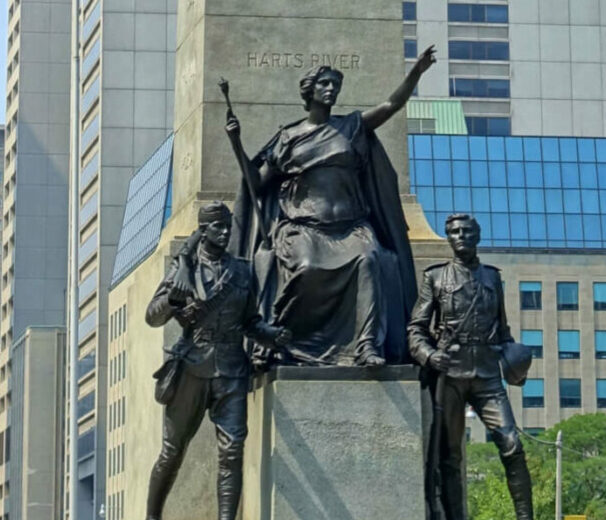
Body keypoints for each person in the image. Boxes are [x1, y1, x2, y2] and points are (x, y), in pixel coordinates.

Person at [224, 46, 437, 367]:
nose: (331, 90)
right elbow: (256, 182)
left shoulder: (351, 126)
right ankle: (283, 339)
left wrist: (416, 73)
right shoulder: (289, 137)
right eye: (324, 84)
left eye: (335, 85)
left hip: (351, 227)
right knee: (307, 267)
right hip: (304, 228)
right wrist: (236, 143)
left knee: (370, 260)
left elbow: (391, 105)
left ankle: (367, 347)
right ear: (309, 91)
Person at [144, 201, 291, 520]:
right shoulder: (185, 269)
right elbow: (152, 317)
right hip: (192, 369)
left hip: (232, 370)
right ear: (203, 230)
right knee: (172, 451)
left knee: (232, 450)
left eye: (228, 227)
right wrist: (173, 299)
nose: (224, 233)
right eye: (217, 227)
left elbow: (250, 321)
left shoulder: (242, 269)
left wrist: (272, 336)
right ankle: (152, 516)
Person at [407, 213, 533, 520]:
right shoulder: (435, 277)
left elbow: (503, 329)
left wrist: (515, 357)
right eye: (454, 232)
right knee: (450, 457)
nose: (460, 236)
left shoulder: (492, 277)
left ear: (477, 236)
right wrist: (429, 355)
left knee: (512, 444)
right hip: (449, 375)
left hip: (488, 376)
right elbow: (415, 329)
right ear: (448, 238)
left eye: (466, 231)